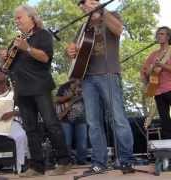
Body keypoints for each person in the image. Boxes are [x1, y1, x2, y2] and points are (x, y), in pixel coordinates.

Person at [66, 0, 135, 174]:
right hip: (87, 78)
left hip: (109, 74)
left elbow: (119, 30)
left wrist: (102, 11)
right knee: (93, 122)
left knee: (118, 118)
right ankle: (99, 162)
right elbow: (75, 54)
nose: (84, 6)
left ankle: (126, 160)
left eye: (87, 2)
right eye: (81, 4)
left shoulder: (111, 16)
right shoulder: (82, 27)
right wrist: (71, 52)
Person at [7, 4, 71, 177]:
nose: (16, 20)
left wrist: (27, 47)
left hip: (40, 87)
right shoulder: (17, 39)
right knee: (30, 129)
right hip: (22, 89)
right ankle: (37, 166)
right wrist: (4, 58)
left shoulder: (43, 35)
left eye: (19, 17)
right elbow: (7, 64)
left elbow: (45, 57)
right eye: (16, 18)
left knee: (52, 124)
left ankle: (64, 161)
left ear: (31, 18)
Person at [141, 26, 171, 139]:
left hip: (170, 88)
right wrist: (151, 68)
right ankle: (169, 148)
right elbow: (145, 72)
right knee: (165, 120)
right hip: (158, 91)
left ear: (168, 36)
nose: (159, 36)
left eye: (162, 34)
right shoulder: (153, 55)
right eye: (158, 34)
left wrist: (162, 65)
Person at [55, 79, 88, 165]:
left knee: (82, 142)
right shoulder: (63, 87)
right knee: (67, 142)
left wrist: (81, 94)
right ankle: (67, 162)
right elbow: (57, 99)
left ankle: (81, 161)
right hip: (65, 119)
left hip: (81, 119)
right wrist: (71, 96)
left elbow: (89, 99)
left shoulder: (85, 85)